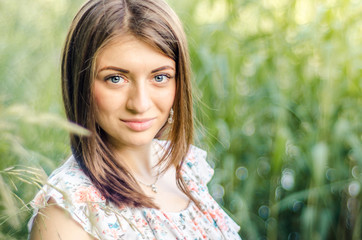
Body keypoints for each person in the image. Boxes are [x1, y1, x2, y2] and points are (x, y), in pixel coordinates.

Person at [28, 0, 241, 239]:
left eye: (160, 77)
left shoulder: (184, 168)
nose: (140, 104)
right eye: (116, 79)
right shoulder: (68, 213)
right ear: (81, 84)